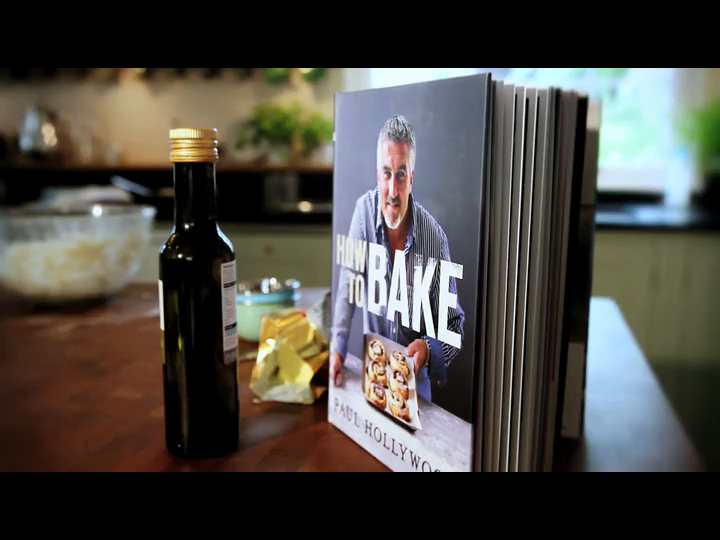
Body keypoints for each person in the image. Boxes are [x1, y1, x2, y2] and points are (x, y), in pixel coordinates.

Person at [330, 115, 465, 403]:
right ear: (377, 175)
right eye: (387, 174)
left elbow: (454, 328)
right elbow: (347, 285)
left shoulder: (435, 240)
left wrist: (427, 349)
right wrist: (337, 348)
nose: (392, 191)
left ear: (412, 178)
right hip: (372, 385)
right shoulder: (363, 213)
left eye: (401, 175)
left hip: (416, 397)